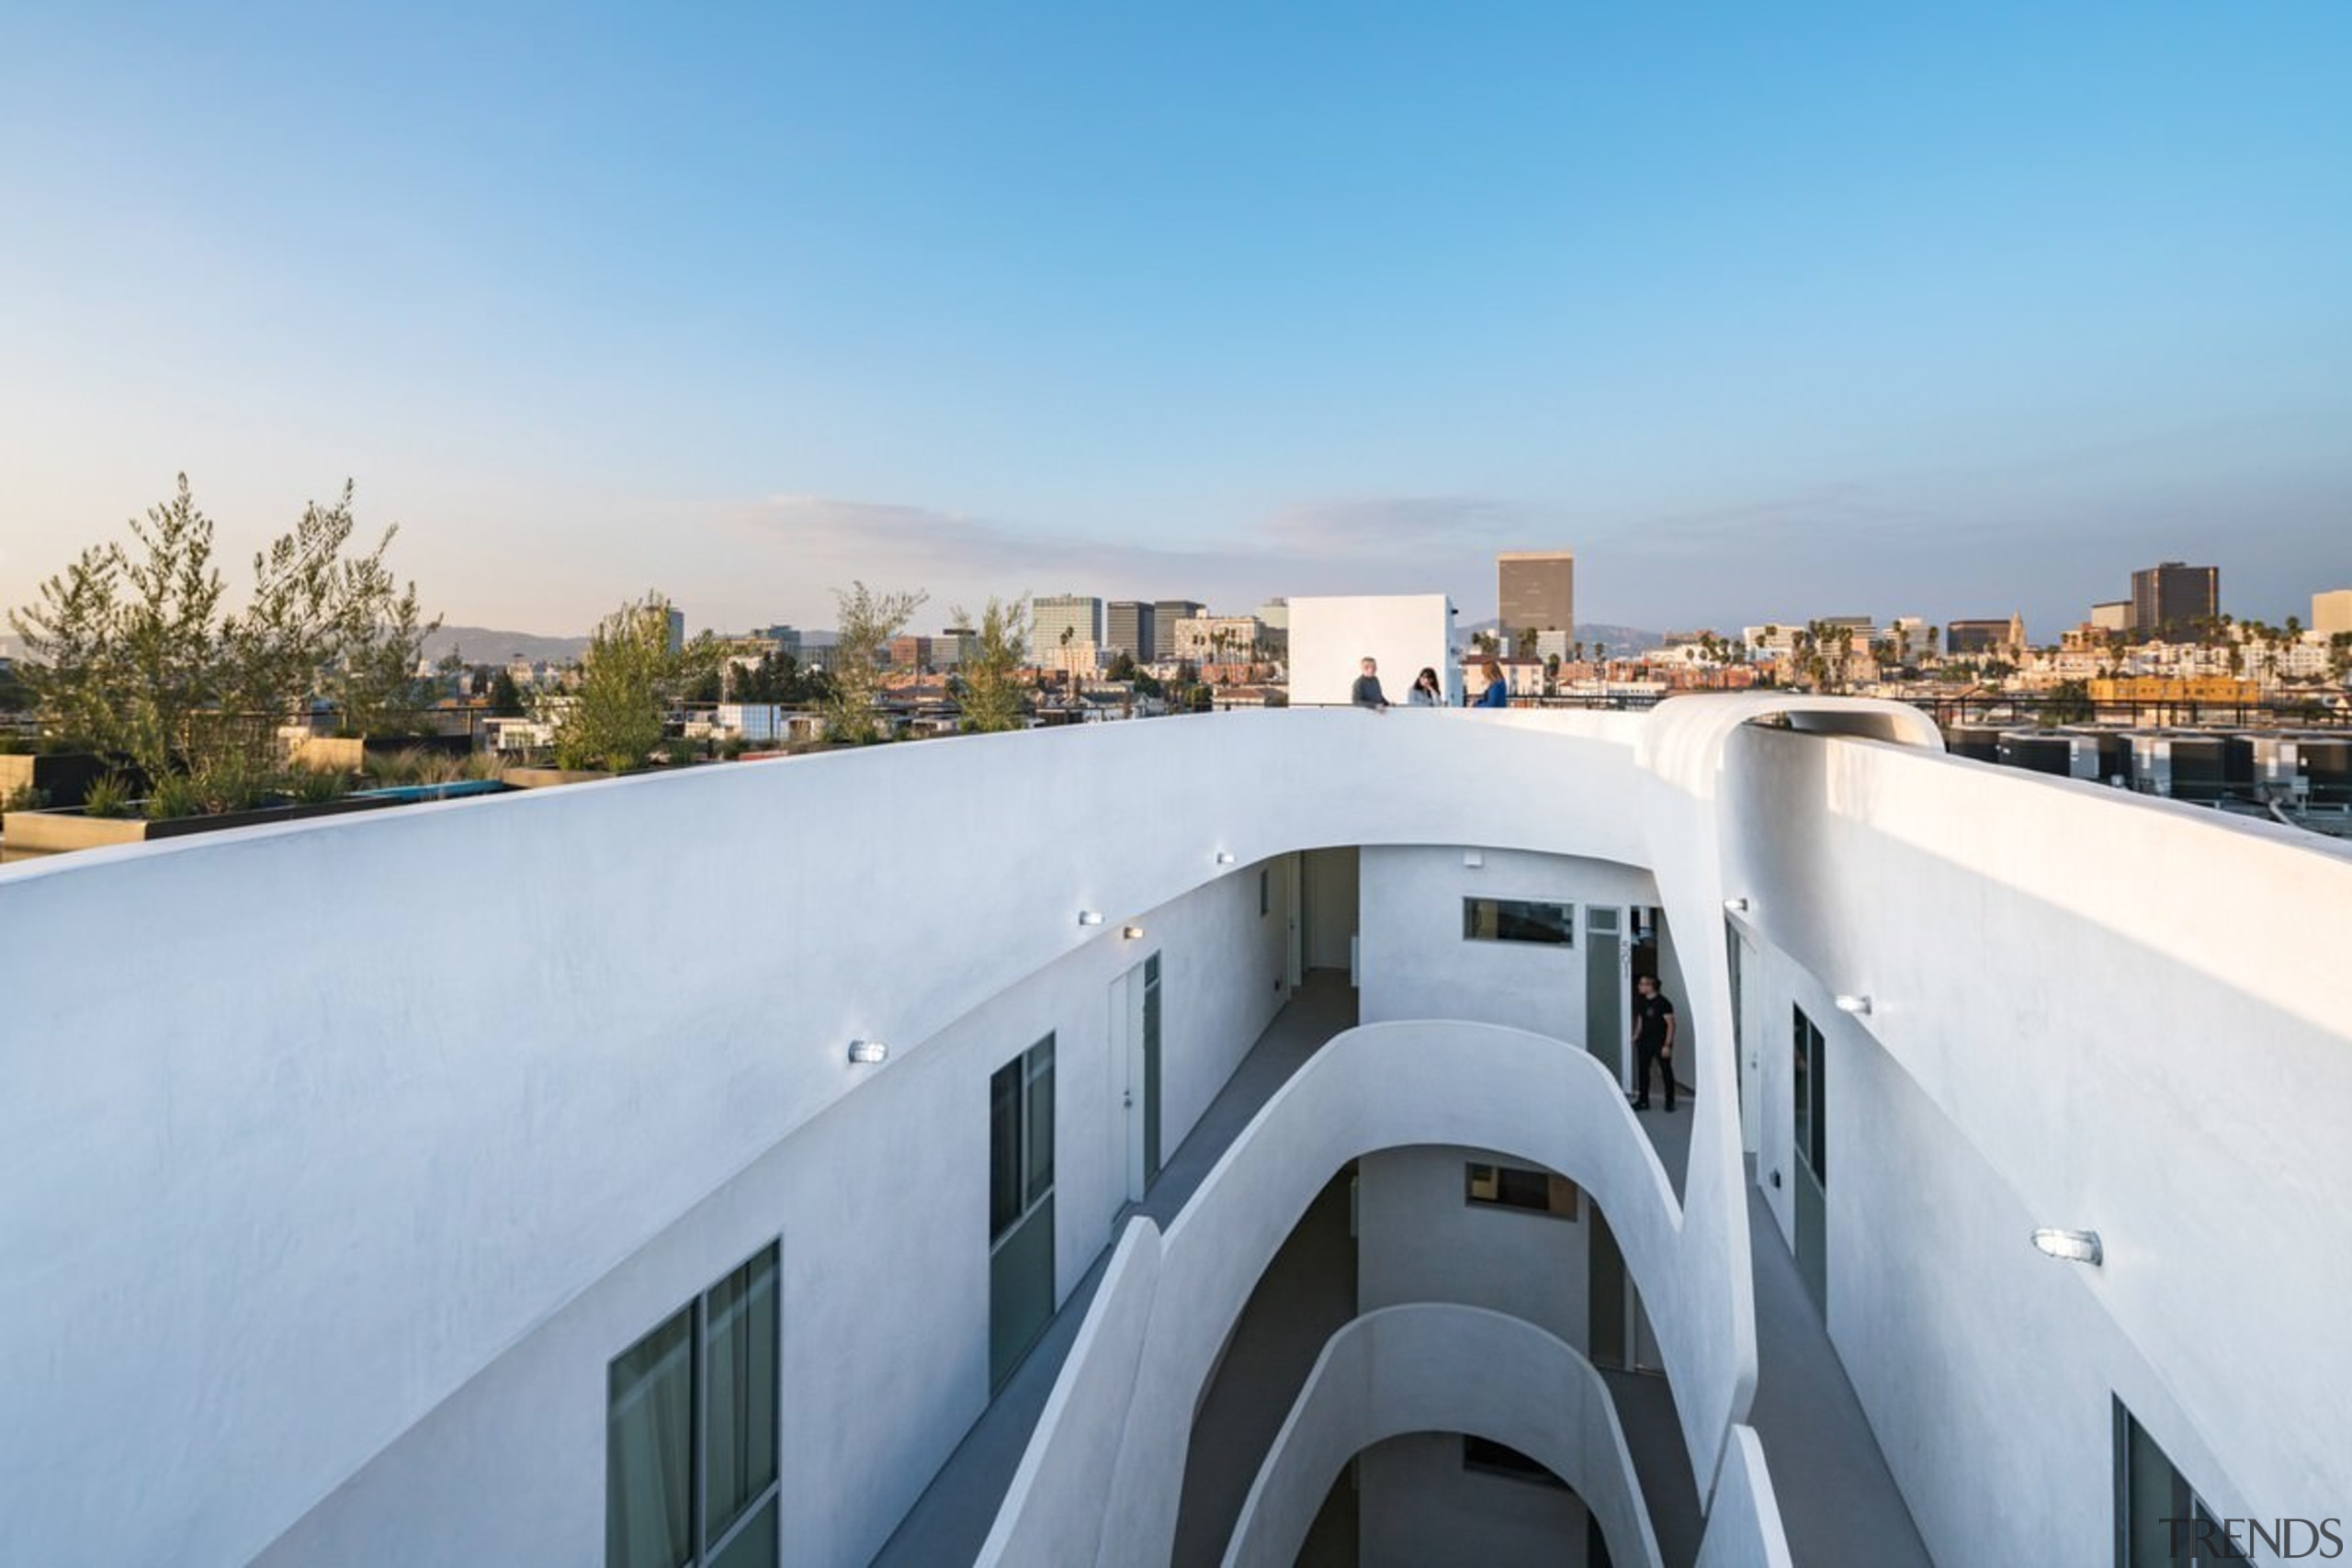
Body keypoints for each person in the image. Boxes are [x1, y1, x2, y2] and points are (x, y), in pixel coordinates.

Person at [1630, 974, 1677, 1112]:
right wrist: (1636, 1035)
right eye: (1639, 984)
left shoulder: (1664, 1003)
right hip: (1644, 1042)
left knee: (1666, 1071)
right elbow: (1641, 1019)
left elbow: (1671, 1025)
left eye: (1642, 984)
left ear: (1650, 986)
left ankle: (1670, 1102)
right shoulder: (1642, 1001)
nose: (1639, 986)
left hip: (1660, 1043)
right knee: (1643, 1072)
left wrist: (1667, 1045)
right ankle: (1643, 1101)